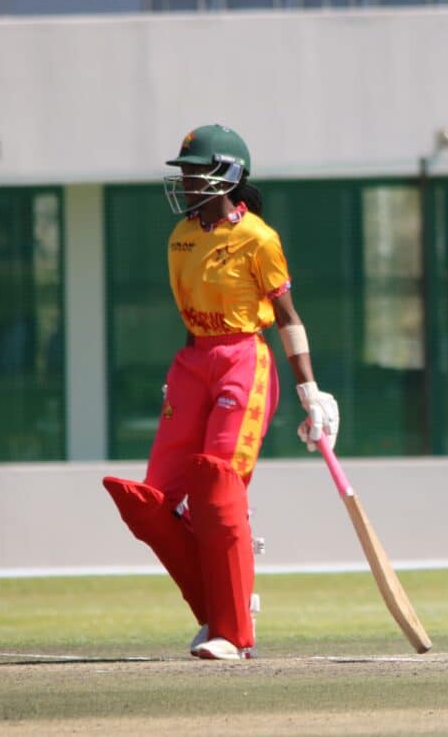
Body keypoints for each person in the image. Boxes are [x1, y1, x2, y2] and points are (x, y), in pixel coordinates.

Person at [102, 124, 339, 661]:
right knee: (150, 504)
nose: (186, 181)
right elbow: (190, 318)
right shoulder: (180, 237)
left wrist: (310, 391)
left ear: (228, 174)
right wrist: (187, 374)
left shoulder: (259, 238)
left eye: (196, 171)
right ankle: (218, 606)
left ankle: (233, 632)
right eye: (184, 172)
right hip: (193, 362)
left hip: (243, 359)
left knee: (217, 487)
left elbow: (287, 317)